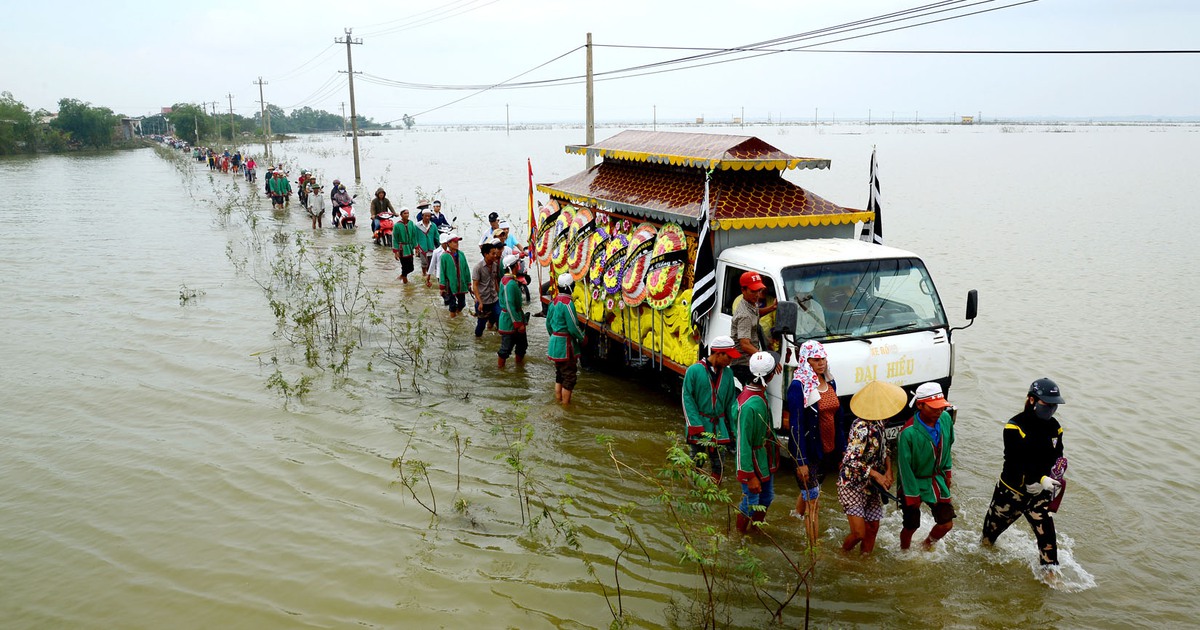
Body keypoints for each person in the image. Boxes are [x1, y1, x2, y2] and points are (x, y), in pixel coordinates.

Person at [981, 377, 1068, 572]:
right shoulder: (1014, 427)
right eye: (1047, 404)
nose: (1052, 408)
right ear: (1032, 400)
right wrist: (1039, 479)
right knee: (988, 538)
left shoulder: (1055, 428)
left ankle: (1050, 577)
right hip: (1011, 493)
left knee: (1048, 540)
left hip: (1039, 495)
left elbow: (1057, 457)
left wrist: (1050, 478)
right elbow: (1016, 460)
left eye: (1055, 405)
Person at [783, 339, 845, 545]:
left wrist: (842, 450)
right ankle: (813, 550)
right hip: (808, 453)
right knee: (814, 503)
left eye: (823, 359)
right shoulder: (798, 387)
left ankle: (793, 519)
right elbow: (796, 426)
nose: (821, 363)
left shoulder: (830, 382)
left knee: (811, 492)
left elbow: (838, 419)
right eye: (815, 360)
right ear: (805, 361)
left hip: (826, 450)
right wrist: (801, 461)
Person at [838, 379, 906, 555]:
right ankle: (842, 555)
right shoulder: (861, 427)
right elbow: (850, 461)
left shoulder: (880, 423)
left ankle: (864, 559)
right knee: (859, 533)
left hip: (871, 486)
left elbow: (885, 450)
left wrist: (889, 470)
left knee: (873, 527)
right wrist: (877, 475)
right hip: (852, 484)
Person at [897, 382, 957, 551]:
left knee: (946, 524)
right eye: (934, 408)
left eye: (941, 408)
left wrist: (948, 473)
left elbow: (948, 447)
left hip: (936, 479)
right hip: (914, 481)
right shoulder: (908, 433)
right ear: (920, 405)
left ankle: (926, 544)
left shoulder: (945, 419)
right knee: (911, 525)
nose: (939, 411)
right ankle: (904, 551)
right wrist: (912, 494)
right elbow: (904, 468)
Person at [681, 335, 741, 482]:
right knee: (696, 463)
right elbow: (687, 399)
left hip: (718, 427)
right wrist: (695, 425)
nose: (731, 360)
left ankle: (713, 494)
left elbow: (730, 403)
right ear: (718, 354)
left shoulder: (728, 374)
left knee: (718, 465)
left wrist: (734, 429)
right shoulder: (694, 371)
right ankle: (693, 492)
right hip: (699, 424)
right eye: (729, 356)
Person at [734, 351, 781, 534]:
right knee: (750, 502)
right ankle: (739, 536)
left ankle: (755, 532)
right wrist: (749, 475)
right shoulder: (749, 405)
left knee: (767, 497)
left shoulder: (759, 394)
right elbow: (742, 443)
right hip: (752, 458)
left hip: (763, 455)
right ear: (769, 376)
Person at [546, 273, 585, 405]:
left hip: (555, 343)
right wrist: (582, 337)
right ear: (570, 287)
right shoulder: (567, 303)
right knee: (569, 377)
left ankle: (558, 401)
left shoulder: (553, 301)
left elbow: (548, 324)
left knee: (559, 375)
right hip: (565, 345)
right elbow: (573, 326)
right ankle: (565, 406)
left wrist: (554, 337)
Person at [730, 271, 771, 385]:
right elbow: (745, 344)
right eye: (753, 291)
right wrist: (763, 358)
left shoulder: (750, 303)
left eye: (759, 290)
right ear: (743, 290)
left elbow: (756, 313)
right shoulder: (744, 315)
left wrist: (772, 308)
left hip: (749, 361)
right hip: (743, 365)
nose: (757, 294)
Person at [496, 254, 529, 367]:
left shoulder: (509, 280)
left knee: (522, 346)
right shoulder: (509, 283)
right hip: (510, 321)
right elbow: (510, 305)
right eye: (517, 264)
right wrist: (518, 323)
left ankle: (518, 368)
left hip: (515, 318)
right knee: (505, 349)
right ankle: (501, 370)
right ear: (513, 266)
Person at [471, 242, 502, 337]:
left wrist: (500, 295)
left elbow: (495, 281)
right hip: (483, 301)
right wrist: (479, 302)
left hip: (494, 299)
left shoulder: (495, 265)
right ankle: (477, 341)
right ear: (486, 254)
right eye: (493, 253)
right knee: (481, 325)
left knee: (500, 318)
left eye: (495, 253)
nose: (495, 256)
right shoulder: (478, 267)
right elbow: (475, 286)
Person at [438, 232, 471, 317]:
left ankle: (458, 316)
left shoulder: (461, 254)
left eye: (457, 242)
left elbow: (466, 269)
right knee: (452, 306)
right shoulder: (444, 256)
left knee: (462, 304)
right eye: (455, 242)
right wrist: (442, 287)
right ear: (449, 243)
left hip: (461, 283)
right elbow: (442, 272)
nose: (457, 244)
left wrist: (468, 282)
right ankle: (452, 320)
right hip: (450, 284)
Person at [414, 209, 440, 288]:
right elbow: (414, 237)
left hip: (431, 247)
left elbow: (436, 237)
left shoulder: (433, 225)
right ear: (422, 216)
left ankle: (429, 277)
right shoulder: (417, 226)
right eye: (426, 216)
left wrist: (440, 246)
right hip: (422, 247)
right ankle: (424, 274)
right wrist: (416, 247)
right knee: (424, 263)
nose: (428, 218)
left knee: (432, 263)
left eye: (429, 216)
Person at [391, 208, 418, 283]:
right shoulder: (397, 225)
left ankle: (402, 276)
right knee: (404, 266)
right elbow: (395, 239)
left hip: (409, 247)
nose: (407, 215)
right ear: (401, 215)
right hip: (401, 248)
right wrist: (396, 251)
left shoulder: (411, 223)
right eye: (405, 213)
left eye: (408, 213)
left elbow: (414, 236)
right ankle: (405, 283)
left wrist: (416, 247)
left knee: (411, 268)